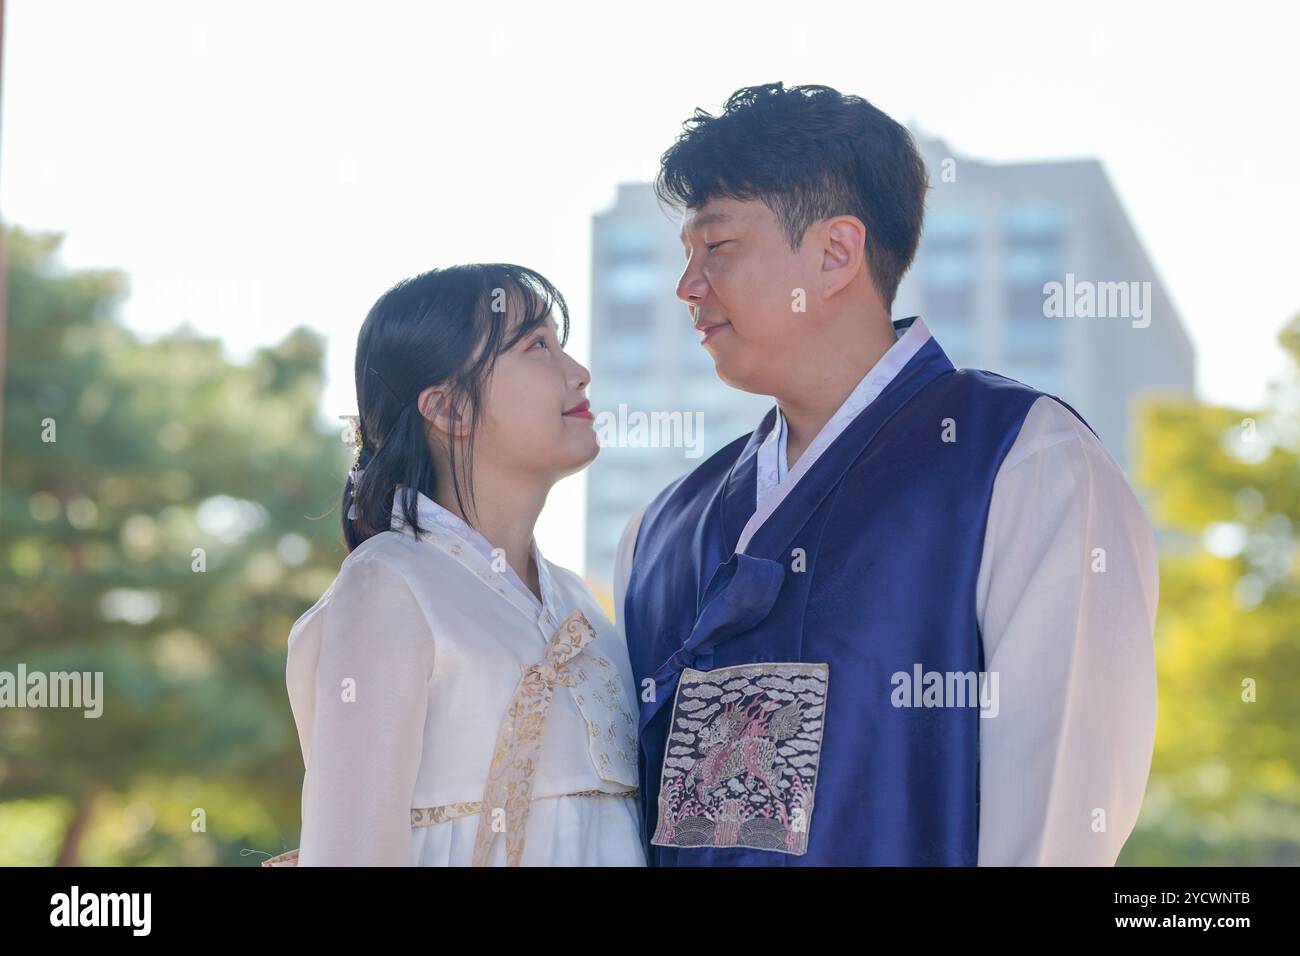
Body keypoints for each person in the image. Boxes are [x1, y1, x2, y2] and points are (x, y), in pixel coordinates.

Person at [613, 83, 1159, 866]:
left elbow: (1058, 821)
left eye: (718, 247)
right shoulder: (659, 528)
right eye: (685, 255)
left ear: (836, 253)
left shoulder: (1023, 463)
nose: (687, 285)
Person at [268, 264, 644, 866]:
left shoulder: (582, 608)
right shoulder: (389, 584)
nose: (578, 373)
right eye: (537, 346)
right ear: (448, 408)